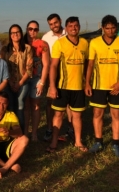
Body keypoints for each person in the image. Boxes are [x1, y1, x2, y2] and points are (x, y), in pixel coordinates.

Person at [84, 15, 119, 157]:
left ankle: (116, 143)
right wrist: (87, 83)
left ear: (116, 28)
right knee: (97, 113)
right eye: (107, 28)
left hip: (116, 86)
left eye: (113, 28)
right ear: (103, 28)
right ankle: (98, 141)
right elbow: (90, 64)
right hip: (98, 85)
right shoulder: (95, 42)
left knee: (116, 114)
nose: (111, 31)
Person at [47, 16, 89, 153]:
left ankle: (77, 141)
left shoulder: (84, 43)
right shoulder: (59, 43)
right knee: (58, 115)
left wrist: (87, 83)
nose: (73, 28)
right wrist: (52, 86)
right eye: (70, 26)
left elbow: (88, 64)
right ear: (66, 28)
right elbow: (53, 66)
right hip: (62, 86)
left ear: (79, 27)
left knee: (77, 116)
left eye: (76, 25)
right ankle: (53, 142)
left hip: (78, 87)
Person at [41, 13, 72, 141]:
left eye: (55, 23)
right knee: (50, 102)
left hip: (69, 73)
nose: (54, 26)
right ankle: (49, 129)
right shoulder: (46, 37)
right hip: (52, 73)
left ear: (60, 21)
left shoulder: (69, 32)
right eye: (51, 24)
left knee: (69, 103)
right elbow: (46, 59)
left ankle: (71, 129)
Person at [0, 24, 33, 132]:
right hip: (8, 82)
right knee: (10, 107)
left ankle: (21, 133)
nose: (15, 34)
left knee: (20, 106)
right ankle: (9, 132)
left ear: (21, 33)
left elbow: (29, 69)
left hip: (23, 83)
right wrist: (10, 83)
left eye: (17, 32)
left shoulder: (27, 48)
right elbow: (2, 67)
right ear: (10, 35)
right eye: (12, 33)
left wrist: (19, 83)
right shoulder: (5, 49)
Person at [24, 20, 50, 142]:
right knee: (25, 106)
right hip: (23, 78)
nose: (32, 31)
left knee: (35, 106)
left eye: (35, 29)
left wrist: (42, 82)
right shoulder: (21, 42)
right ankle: (24, 132)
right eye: (30, 29)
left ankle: (34, 133)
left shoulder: (43, 44)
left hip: (36, 78)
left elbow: (46, 64)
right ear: (26, 29)